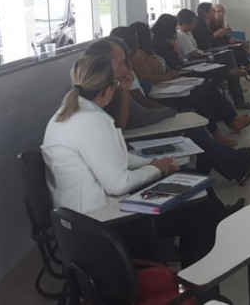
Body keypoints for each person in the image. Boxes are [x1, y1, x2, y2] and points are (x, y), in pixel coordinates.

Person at [41, 55, 239, 269]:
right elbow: (118, 184)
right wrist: (154, 170)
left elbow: (115, 156)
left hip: (82, 216)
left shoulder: (67, 113)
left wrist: (152, 163)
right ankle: (198, 280)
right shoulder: (91, 121)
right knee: (198, 213)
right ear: (109, 90)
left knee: (187, 181)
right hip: (102, 221)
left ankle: (218, 229)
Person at [86, 37, 250, 184]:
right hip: (137, 136)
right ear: (103, 64)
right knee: (192, 126)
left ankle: (233, 164)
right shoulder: (106, 90)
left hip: (138, 130)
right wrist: (171, 110)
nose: (128, 67)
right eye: (122, 63)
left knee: (197, 109)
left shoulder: (114, 84)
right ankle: (235, 163)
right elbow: (134, 120)